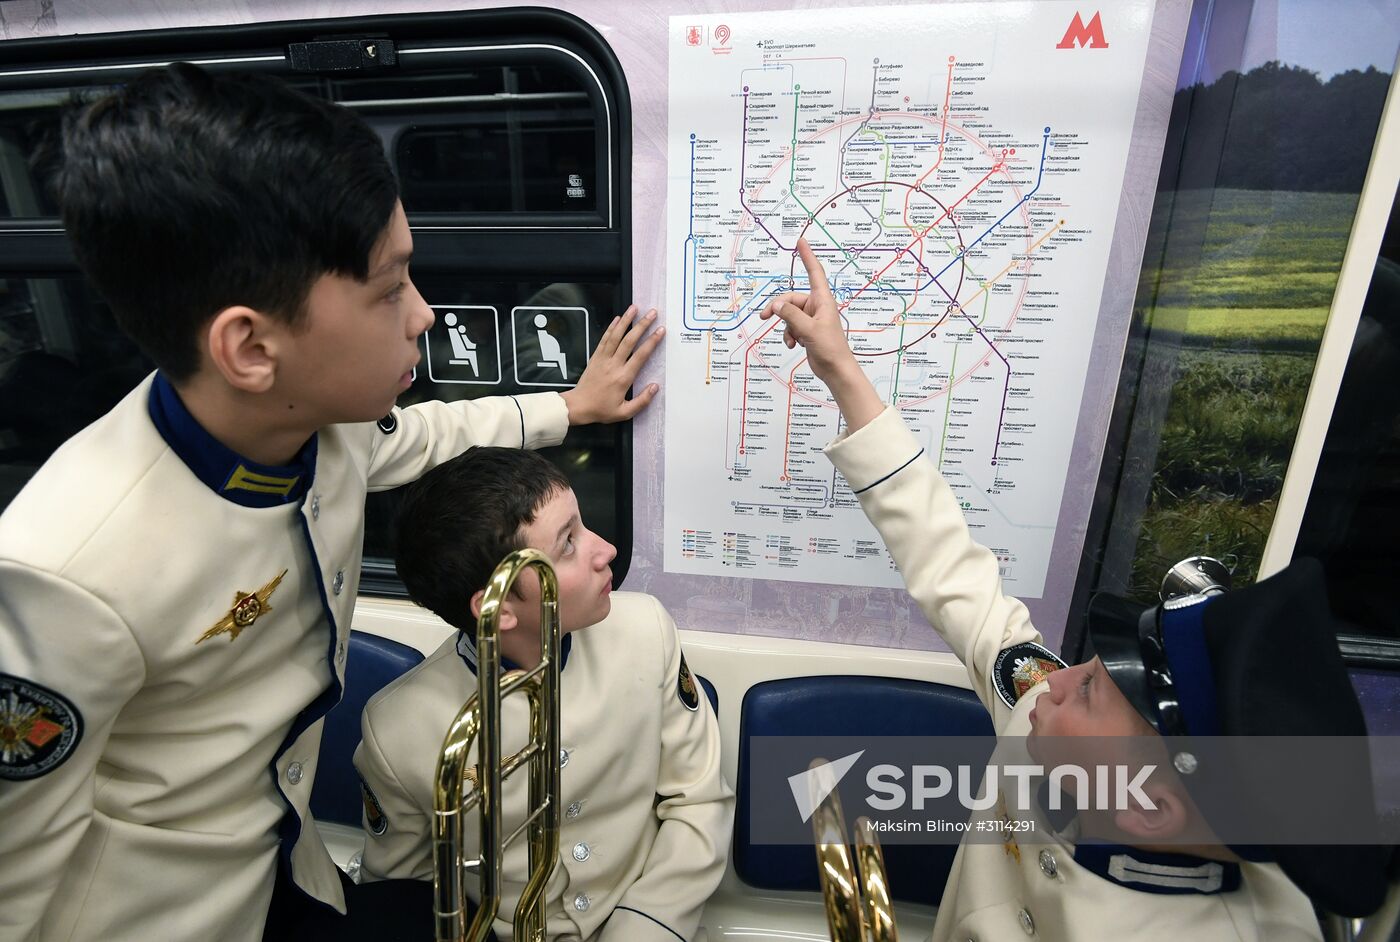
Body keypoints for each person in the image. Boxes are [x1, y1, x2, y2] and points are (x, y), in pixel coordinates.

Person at [0, 63, 663, 942]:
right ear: (249, 347)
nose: (422, 314)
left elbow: (426, 436)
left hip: (288, 861)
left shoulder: (316, 425)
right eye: (390, 290)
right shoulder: (66, 570)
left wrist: (567, 410)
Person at [759, 239, 1386, 941]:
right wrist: (841, 370)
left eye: (1090, 690)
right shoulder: (1060, 734)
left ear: (1148, 806)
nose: (1054, 679)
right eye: (1090, 671)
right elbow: (955, 573)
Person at [354, 446, 734, 942]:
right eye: (569, 543)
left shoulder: (646, 631)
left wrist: (646, 926)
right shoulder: (397, 729)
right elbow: (404, 891)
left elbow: (698, 800)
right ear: (500, 609)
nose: (606, 550)